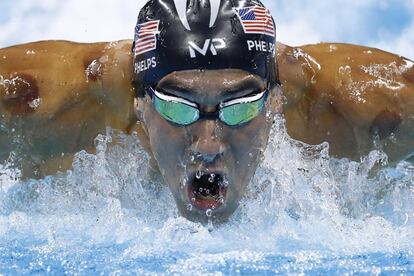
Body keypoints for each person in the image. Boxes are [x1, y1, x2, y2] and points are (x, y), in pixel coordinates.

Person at [0, 0, 413, 222]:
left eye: (239, 109)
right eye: (179, 109)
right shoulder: (44, 107)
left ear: (275, 102)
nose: (209, 144)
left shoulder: (366, 106)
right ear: (139, 106)